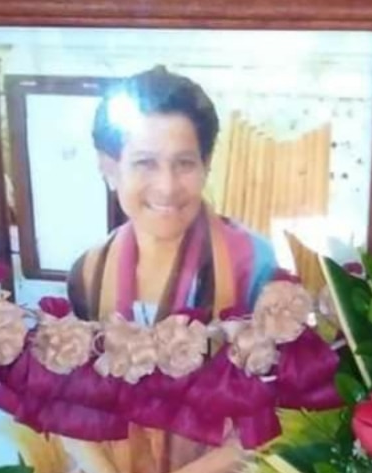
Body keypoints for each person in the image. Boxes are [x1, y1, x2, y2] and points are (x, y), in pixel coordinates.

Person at [64, 66, 278, 473]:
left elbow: (278, 414)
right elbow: (69, 403)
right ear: (109, 168)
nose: (167, 186)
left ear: (206, 163)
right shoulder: (89, 273)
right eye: (145, 163)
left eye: (184, 163)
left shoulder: (253, 264)